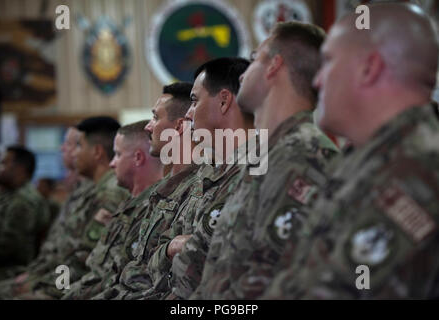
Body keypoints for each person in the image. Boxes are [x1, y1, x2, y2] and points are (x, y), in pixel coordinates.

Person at [261, 3, 439, 299]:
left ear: (369, 68)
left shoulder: (414, 168)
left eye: (328, 62)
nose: (318, 81)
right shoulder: (365, 156)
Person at [191, 21, 339, 299]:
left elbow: (277, 277)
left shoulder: (305, 156)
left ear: (273, 65)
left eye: (254, 58)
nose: (244, 74)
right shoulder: (264, 155)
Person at [138, 57, 254, 300]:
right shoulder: (210, 174)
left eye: (194, 101)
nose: (189, 114)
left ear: (223, 101)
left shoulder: (258, 170)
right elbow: (159, 255)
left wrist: (180, 249)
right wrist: (172, 248)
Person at [91, 82, 201, 300]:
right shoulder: (161, 192)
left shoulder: (198, 189)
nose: (148, 127)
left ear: (179, 127)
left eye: (156, 118)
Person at [13, 116, 129, 299]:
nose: (73, 154)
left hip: (77, 287)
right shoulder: (95, 190)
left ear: (97, 152)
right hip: (64, 281)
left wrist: (45, 288)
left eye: (79, 146)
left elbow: (85, 259)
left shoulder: (109, 194)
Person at [61, 120, 164, 299]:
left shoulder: (152, 206)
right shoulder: (130, 204)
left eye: (117, 155)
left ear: (138, 158)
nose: (111, 163)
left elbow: (123, 280)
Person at [0, 146, 50, 282]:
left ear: (20, 169)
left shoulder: (24, 201)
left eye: (3, 163)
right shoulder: (4, 194)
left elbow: (7, 246)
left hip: (9, 271)